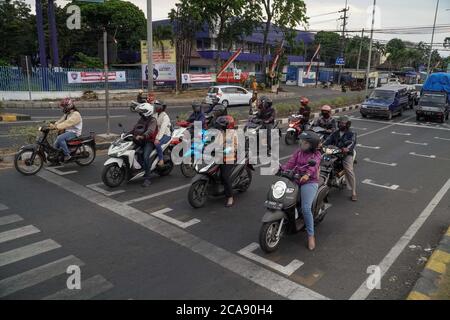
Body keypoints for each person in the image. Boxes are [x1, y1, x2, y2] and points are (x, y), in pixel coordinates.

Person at [281, 131, 322, 251]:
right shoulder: (298, 152)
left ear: (311, 144)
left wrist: (308, 175)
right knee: (283, 197)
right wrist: (281, 168)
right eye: (301, 141)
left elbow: (313, 167)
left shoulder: (316, 155)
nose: (301, 143)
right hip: (296, 178)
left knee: (305, 208)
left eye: (304, 142)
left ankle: (310, 235)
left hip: (309, 182)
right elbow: (290, 163)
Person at [323, 116, 357, 202]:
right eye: (339, 123)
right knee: (322, 162)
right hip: (334, 152)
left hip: (346, 154)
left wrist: (347, 149)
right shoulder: (335, 133)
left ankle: (353, 192)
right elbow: (328, 140)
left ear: (348, 124)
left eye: (342, 123)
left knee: (349, 170)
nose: (340, 124)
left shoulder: (352, 133)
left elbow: (352, 143)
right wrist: (321, 145)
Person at [129, 103, 158, 187]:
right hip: (140, 140)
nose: (140, 113)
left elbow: (150, 131)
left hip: (149, 141)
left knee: (145, 156)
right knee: (133, 152)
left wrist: (142, 136)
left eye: (142, 112)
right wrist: (126, 134)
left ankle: (148, 178)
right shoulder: (142, 119)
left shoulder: (153, 120)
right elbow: (135, 128)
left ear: (147, 112)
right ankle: (140, 169)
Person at [214, 115, 237, 208]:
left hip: (229, 157)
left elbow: (234, 146)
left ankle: (230, 197)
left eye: (222, 126)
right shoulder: (220, 132)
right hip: (219, 155)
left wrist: (226, 149)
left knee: (225, 176)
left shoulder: (233, 134)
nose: (220, 127)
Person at [153, 101, 172, 168]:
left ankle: (161, 160)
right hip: (157, 134)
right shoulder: (155, 115)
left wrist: (157, 139)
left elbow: (162, 129)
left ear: (161, 108)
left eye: (157, 106)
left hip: (166, 135)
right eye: (155, 106)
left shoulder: (165, 117)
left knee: (157, 144)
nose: (155, 107)